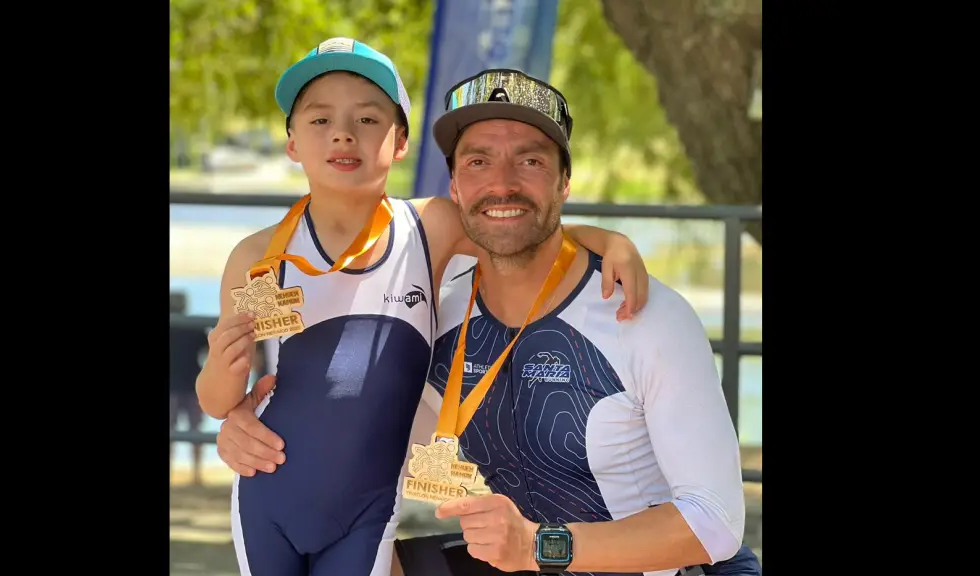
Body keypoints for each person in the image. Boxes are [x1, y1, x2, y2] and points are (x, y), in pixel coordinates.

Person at [216, 68, 764, 576]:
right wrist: (247, 428)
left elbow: (714, 522)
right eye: (478, 161)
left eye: (530, 161)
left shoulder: (644, 315)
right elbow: (355, 418)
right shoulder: (439, 319)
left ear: (564, 183)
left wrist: (538, 546)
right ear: (454, 189)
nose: (502, 183)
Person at [169, 292, 207, 485]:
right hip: (193, 385)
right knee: (196, 432)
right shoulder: (195, 327)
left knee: (180, 432)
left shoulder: (194, 328)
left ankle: (192, 474)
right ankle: (196, 474)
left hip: (180, 387)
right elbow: (210, 352)